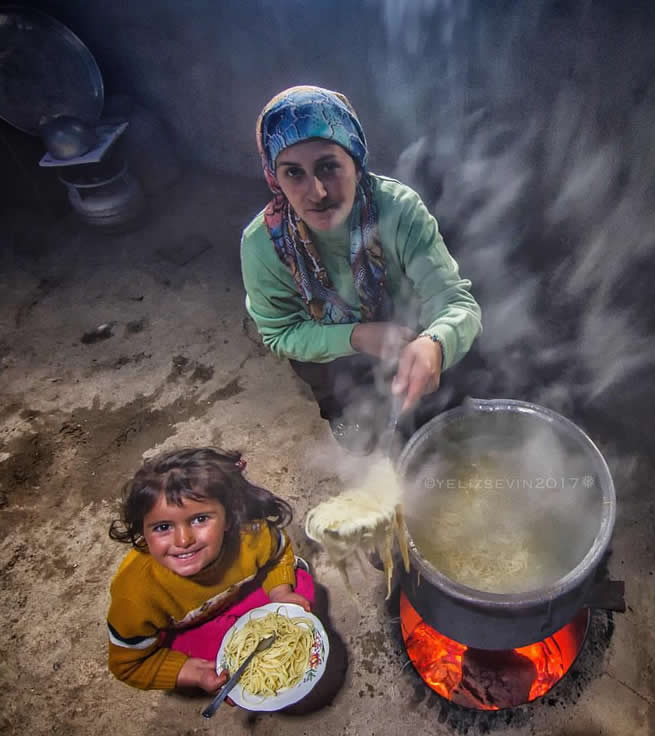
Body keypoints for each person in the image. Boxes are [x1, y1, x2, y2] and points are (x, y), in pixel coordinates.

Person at [241, 85, 482, 454]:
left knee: (443, 430)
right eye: (294, 173)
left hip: (409, 339)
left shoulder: (397, 211)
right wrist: (358, 336)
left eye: (328, 167)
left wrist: (436, 343)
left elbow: (455, 302)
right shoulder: (264, 245)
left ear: (356, 159)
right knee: (361, 439)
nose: (317, 192)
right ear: (275, 178)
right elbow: (279, 332)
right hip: (328, 358)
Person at [106, 447, 314, 692]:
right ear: (142, 531)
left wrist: (281, 593)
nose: (183, 540)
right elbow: (127, 665)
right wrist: (189, 672)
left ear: (228, 518)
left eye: (200, 519)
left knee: (301, 586)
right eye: (163, 527)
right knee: (224, 669)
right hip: (191, 629)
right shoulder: (135, 595)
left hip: (237, 596)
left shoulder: (251, 537)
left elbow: (279, 555)